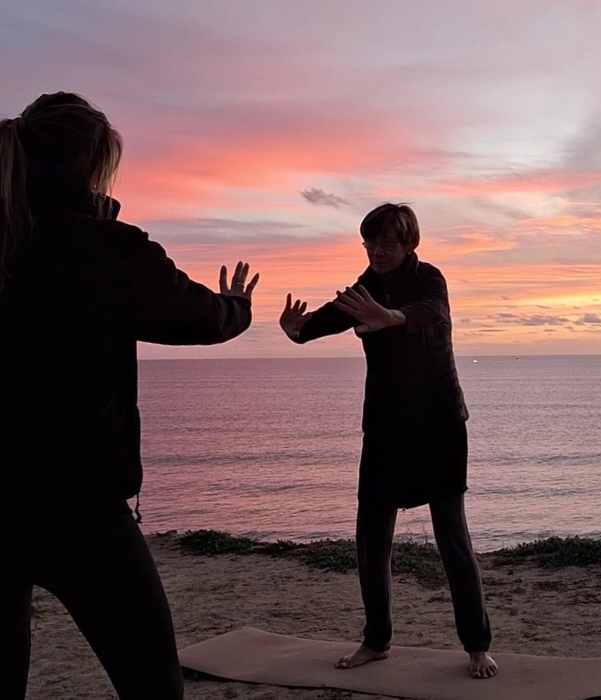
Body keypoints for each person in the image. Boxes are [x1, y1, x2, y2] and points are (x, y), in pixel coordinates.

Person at [0, 92, 259, 700]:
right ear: (92, 165)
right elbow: (201, 317)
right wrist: (240, 306)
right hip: (80, 506)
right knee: (153, 687)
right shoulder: (104, 250)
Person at [279, 203, 497, 679]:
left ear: (408, 243)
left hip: (439, 424)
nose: (377, 251)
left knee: (452, 538)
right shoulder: (365, 287)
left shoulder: (430, 279)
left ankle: (477, 645)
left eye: (387, 243)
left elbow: (431, 312)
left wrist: (391, 317)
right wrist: (295, 331)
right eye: (369, 243)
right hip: (385, 429)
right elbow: (318, 323)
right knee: (370, 539)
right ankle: (376, 641)